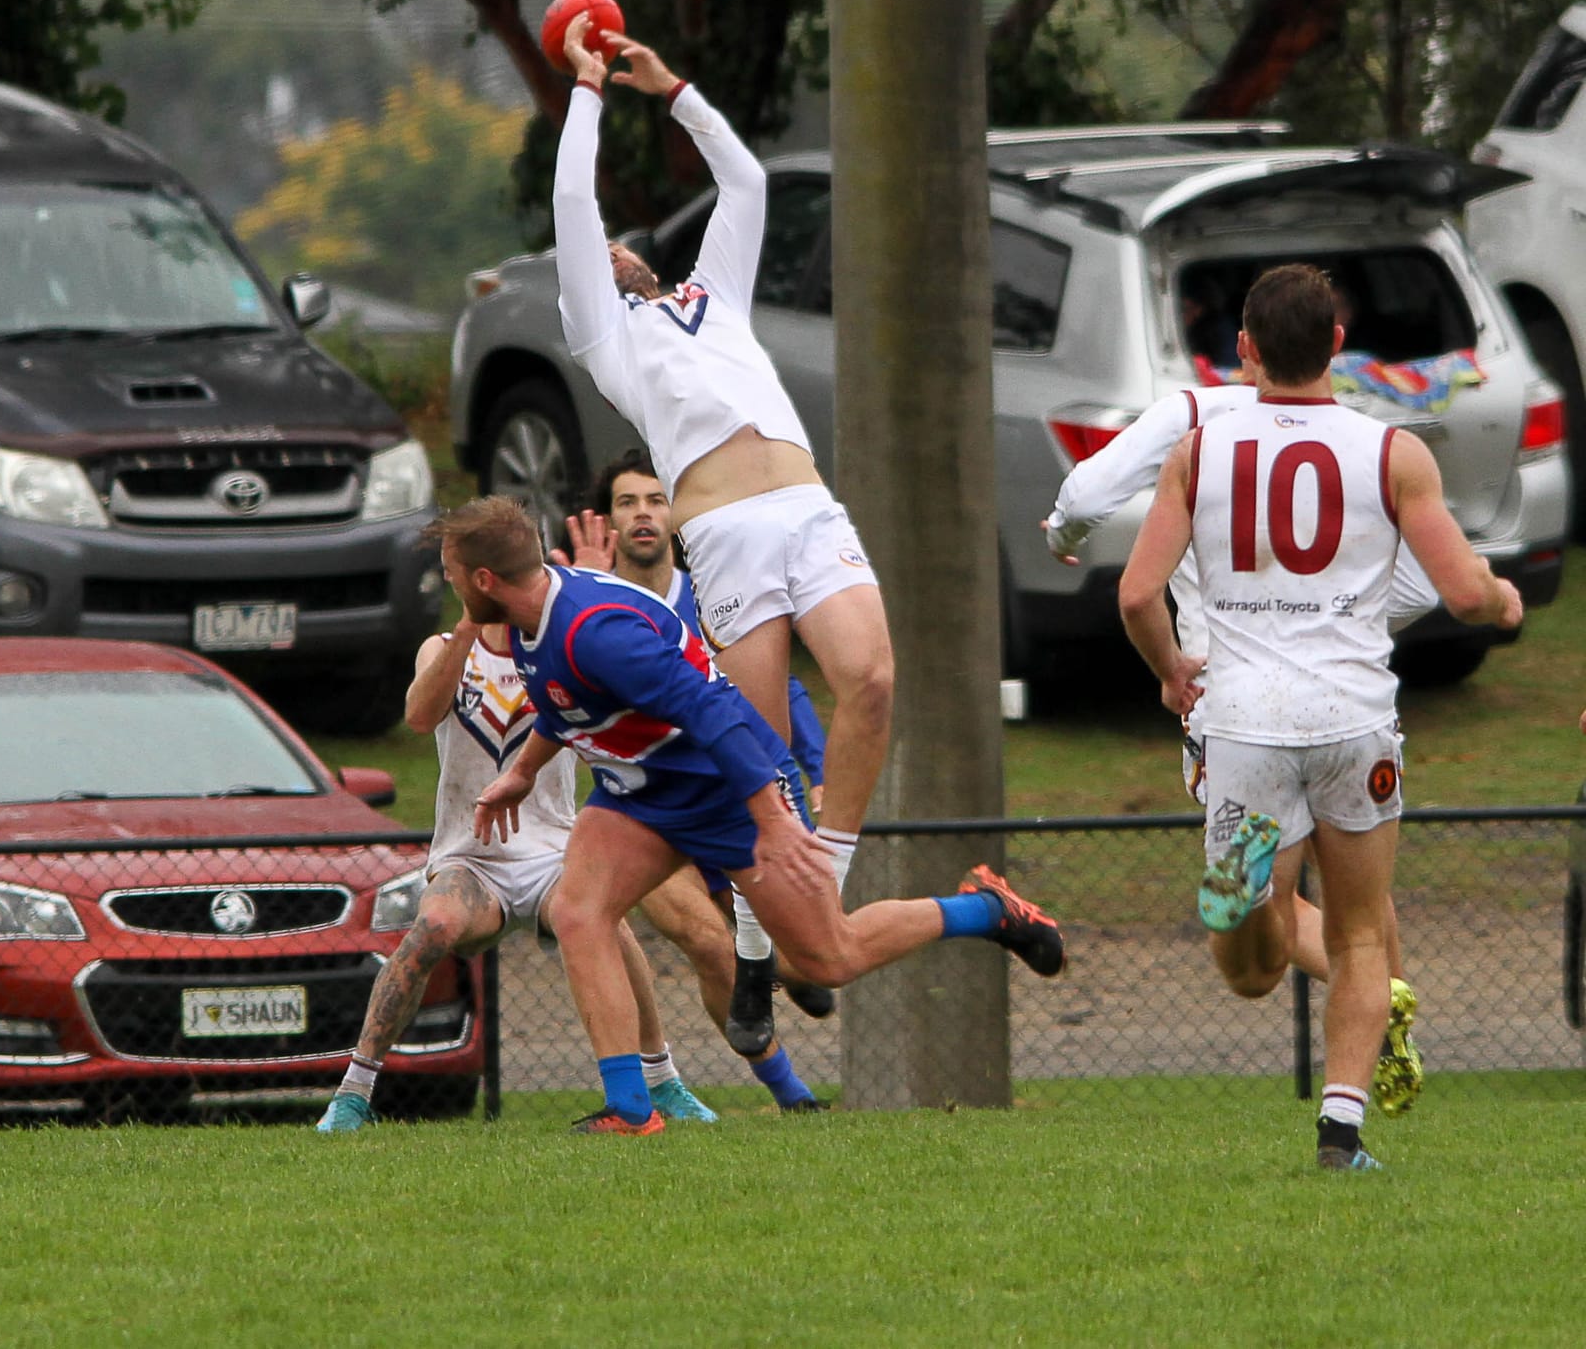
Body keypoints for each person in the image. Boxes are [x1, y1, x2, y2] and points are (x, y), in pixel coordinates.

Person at [435, 496, 1064, 1135]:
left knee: (828, 960)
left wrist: (772, 817)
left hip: (728, 791)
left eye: (452, 573)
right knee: (580, 911)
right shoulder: (531, 618)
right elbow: (564, 701)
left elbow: (711, 709)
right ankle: (630, 1109)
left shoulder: (597, 631)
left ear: (485, 580)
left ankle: (987, 908)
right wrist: (522, 771)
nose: (450, 585)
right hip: (643, 795)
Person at [1117, 264, 1520, 1171]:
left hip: (1243, 721)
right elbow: (1464, 593)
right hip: (1353, 719)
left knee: (1251, 973)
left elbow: (1139, 593)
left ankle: (1248, 898)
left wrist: (1172, 671)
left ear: (1246, 349)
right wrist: (1504, 602)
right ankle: (1342, 1135)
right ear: (1338, 343)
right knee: (1361, 930)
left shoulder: (1200, 453)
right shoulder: (1393, 454)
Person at [551, 10, 894, 1059]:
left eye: (617, 247)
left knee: (872, 682)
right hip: (729, 535)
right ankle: (752, 942)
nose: (606, 251)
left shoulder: (711, 298)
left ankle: (823, 880)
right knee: (756, 752)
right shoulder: (608, 340)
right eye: (593, 254)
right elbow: (570, 202)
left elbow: (744, 182)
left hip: (807, 507)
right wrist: (585, 89)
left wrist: (670, 89)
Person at [1044, 383, 1438, 1118]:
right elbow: (1421, 583)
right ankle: (1385, 1010)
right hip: (1342, 702)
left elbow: (1093, 498)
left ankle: (1263, 906)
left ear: (1247, 343)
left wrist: (1061, 535)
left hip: (1230, 702)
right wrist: (1337, 627)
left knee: (1259, 957)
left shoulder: (1195, 417)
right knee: (1357, 890)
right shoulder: (1361, 430)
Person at [316, 606, 713, 1134]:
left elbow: (611, 737)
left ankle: (661, 1080)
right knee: (432, 926)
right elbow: (418, 718)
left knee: (607, 926)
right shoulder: (443, 647)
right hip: (471, 858)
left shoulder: (560, 652)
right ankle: (353, 1094)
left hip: (552, 851)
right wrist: (465, 631)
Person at [578, 452, 833, 1108]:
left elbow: (778, 685)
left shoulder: (712, 595)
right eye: (627, 502)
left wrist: (817, 767)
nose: (643, 514)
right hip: (647, 812)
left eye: (655, 500)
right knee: (708, 943)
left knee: (812, 960)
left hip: (727, 799)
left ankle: (786, 967)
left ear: (676, 516)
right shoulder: (588, 607)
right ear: (608, 521)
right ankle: (794, 1098)